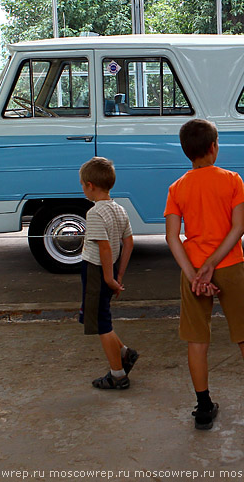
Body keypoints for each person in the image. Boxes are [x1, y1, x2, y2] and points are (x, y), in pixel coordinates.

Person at [164, 118, 244, 430]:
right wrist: (213, 263)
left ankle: (203, 407)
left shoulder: (178, 187)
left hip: (193, 271)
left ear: (187, 151)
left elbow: (172, 237)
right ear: (213, 147)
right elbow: (238, 227)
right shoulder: (232, 180)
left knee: (197, 340)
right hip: (229, 266)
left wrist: (194, 275)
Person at [78, 156, 137, 390]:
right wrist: (118, 275)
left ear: (90, 185)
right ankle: (125, 353)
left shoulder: (94, 213)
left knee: (102, 323)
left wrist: (108, 279)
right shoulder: (119, 209)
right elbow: (129, 242)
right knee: (99, 316)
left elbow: (103, 247)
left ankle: (118, 375)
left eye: (82, 185)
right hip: (109, 268)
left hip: (96, 270)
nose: (82, 189)